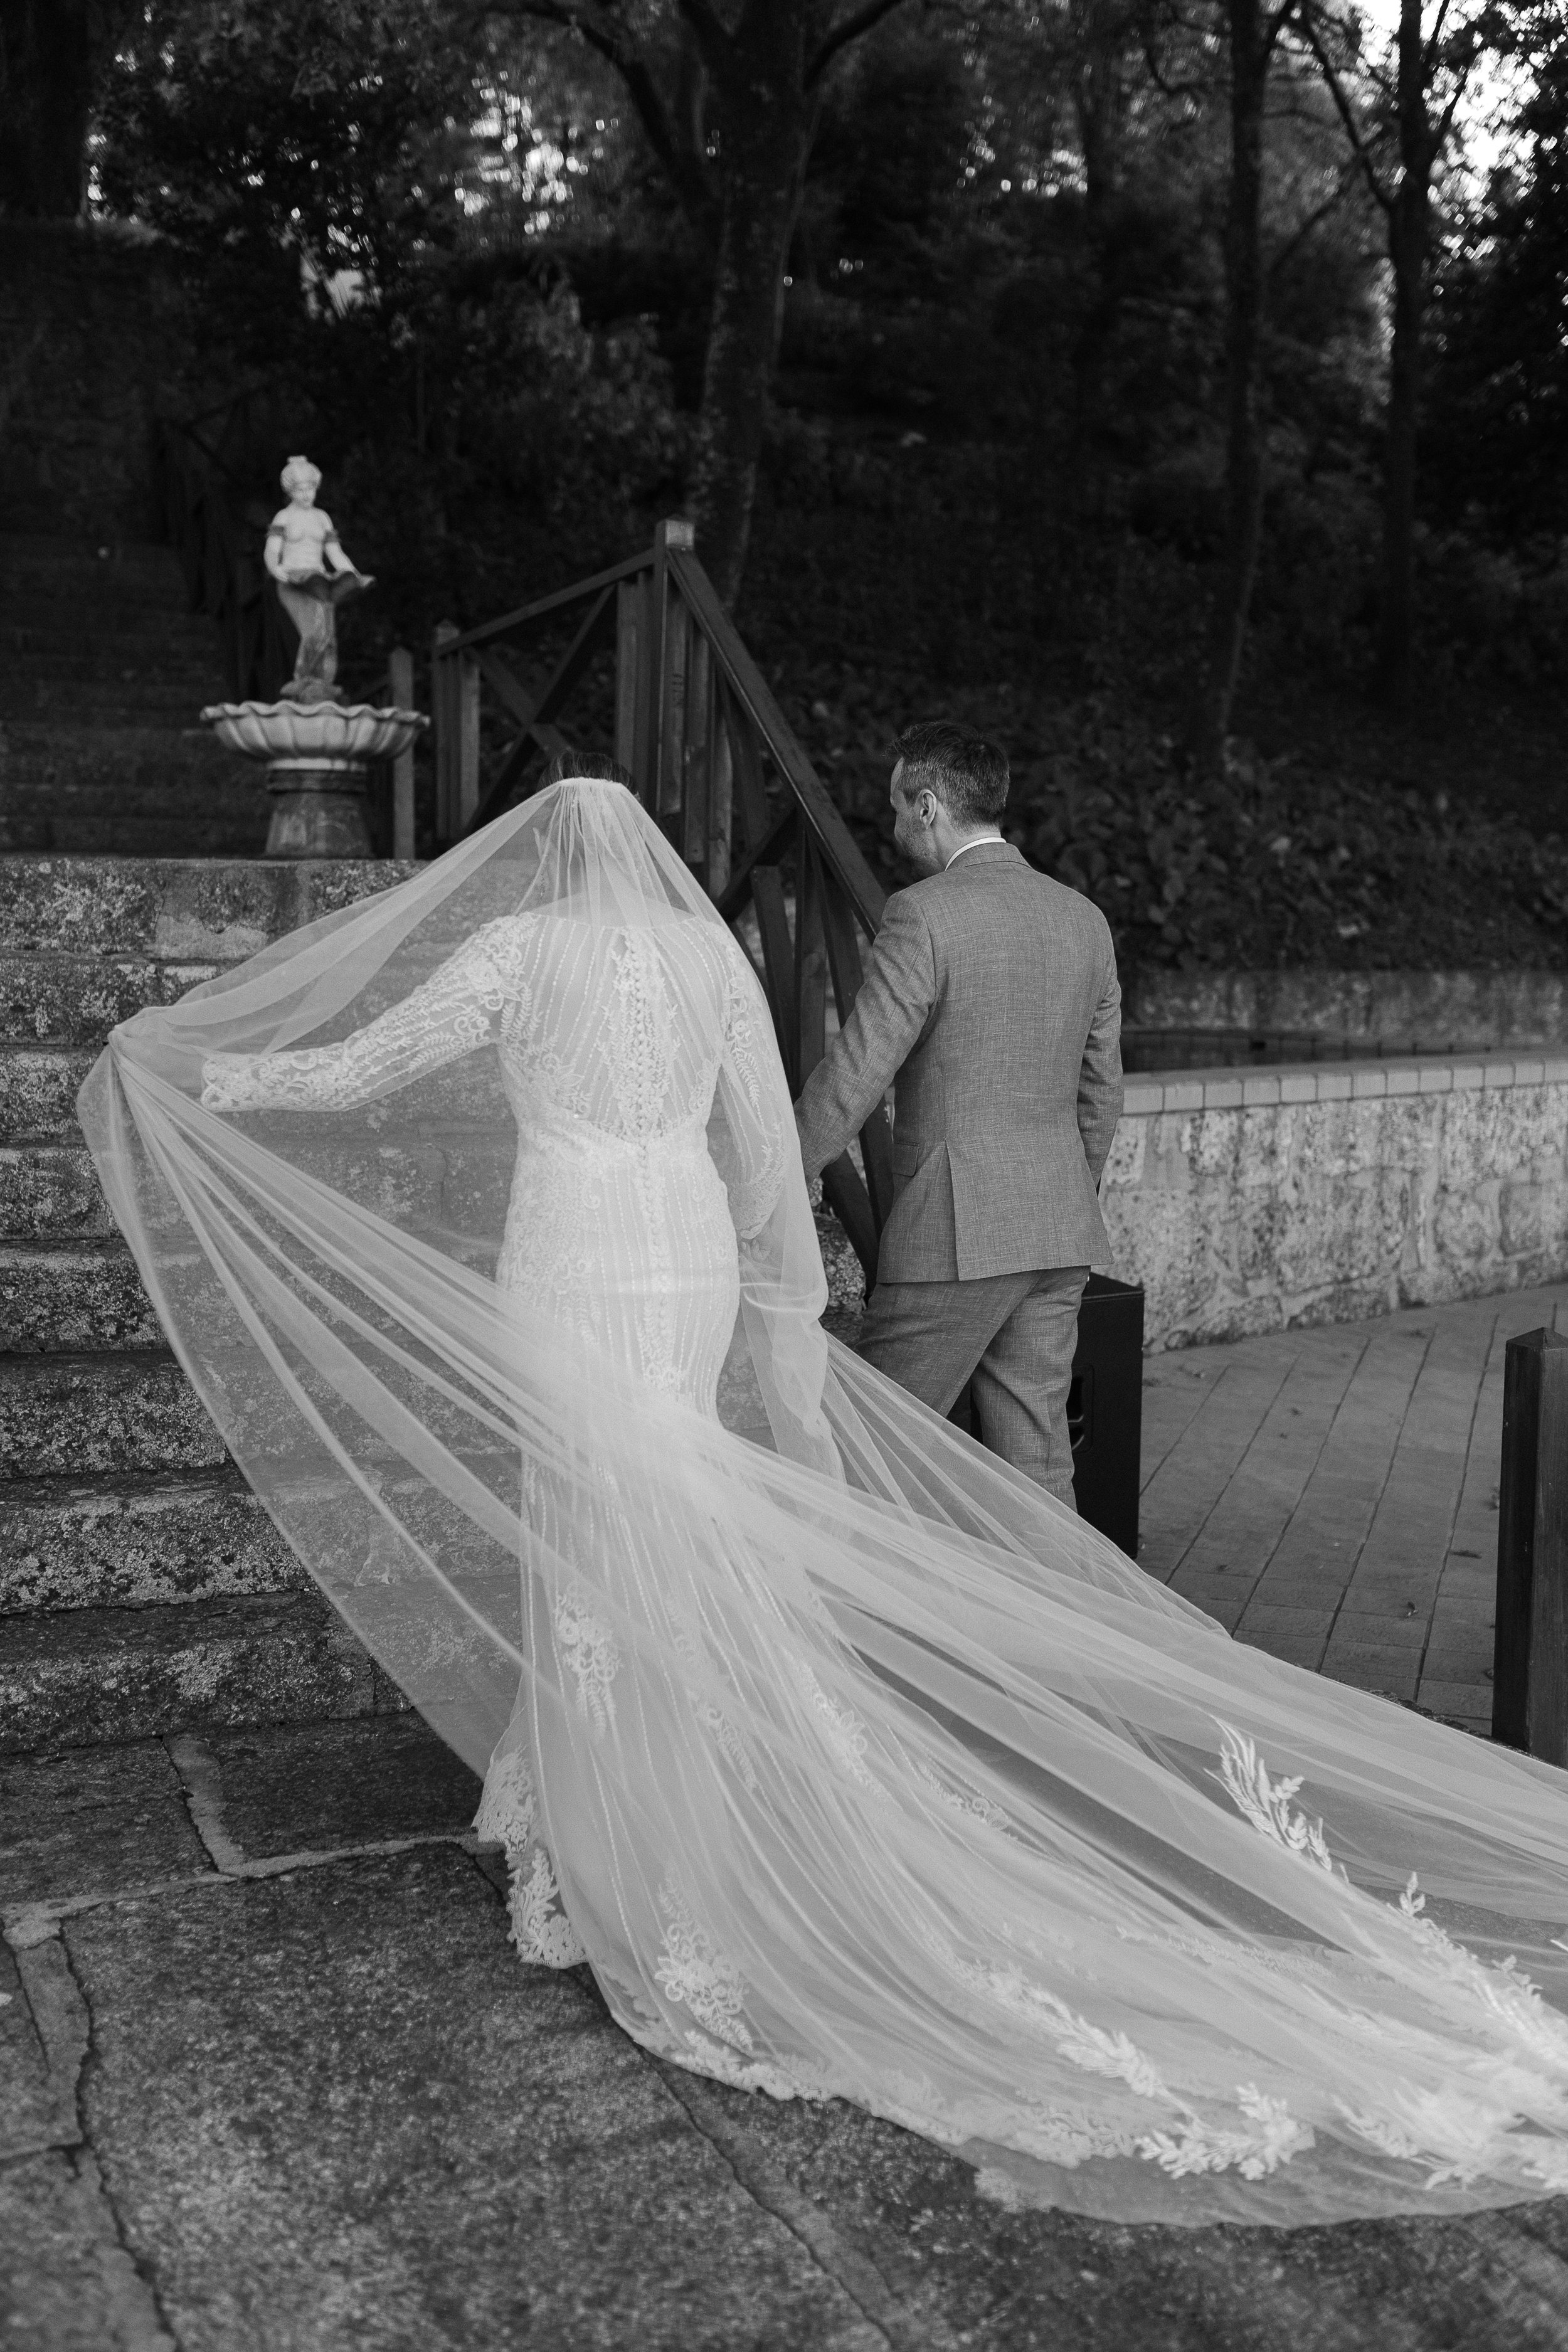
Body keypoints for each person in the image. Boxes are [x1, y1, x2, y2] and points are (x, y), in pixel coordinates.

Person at [80, 751, 1568, 2228]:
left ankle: (619, 1825)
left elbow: (362, 1066)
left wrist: (200, 1062)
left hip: (579, 1245)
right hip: (694, 1243)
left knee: (593, 1515)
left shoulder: (518, 946)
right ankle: (638, 1771)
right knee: (708, 1497)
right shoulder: (711, 949)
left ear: (535, 850)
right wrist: (771, 1276)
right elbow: (775, 1120)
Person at [795, 720, 1121, 1509]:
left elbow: (857, 1070)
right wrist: (1068, 1189)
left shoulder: (924, 914)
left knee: (868, 1440)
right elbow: (1101, 1089)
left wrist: (778, 1171)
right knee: (1036, 1467)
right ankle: (1058, 1629)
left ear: (931, 805)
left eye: (900, 806)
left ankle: (855, 1625)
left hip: (956, 1230)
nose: (894, 822)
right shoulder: (1083, 918)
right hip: (1058, 1226)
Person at [263, 454, 374, 702]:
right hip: (293, 581)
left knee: (329, 636)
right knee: (313, 632)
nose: (306, 495)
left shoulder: (322, 518)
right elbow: (272, 550)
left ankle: (324, 682)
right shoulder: (284, 517)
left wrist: (352, 574)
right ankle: (302, 679)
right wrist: (275, 568)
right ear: (291, 490)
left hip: (320, 583)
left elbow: (335, 553)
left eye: (311, 489)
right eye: (301, 490)